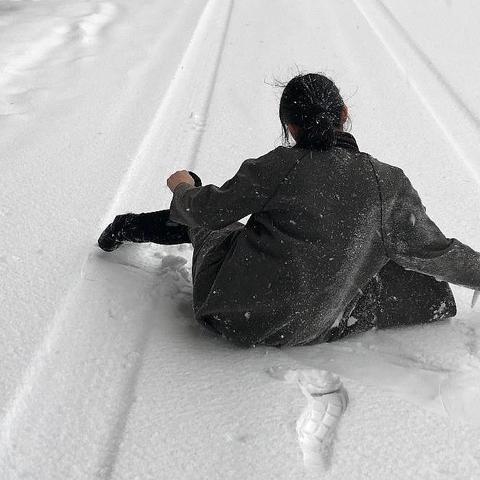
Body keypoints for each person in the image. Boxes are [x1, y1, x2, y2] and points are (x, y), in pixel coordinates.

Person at [98, 73, 480, 347]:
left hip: (235, 313)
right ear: (344, 112)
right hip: (314, 325)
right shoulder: (388, 183)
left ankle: (125, 226)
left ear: (290, 127)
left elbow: (208, 212)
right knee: (415, 280)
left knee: (215, 229)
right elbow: (435, 252)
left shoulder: (278, 166)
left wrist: (183, 186)